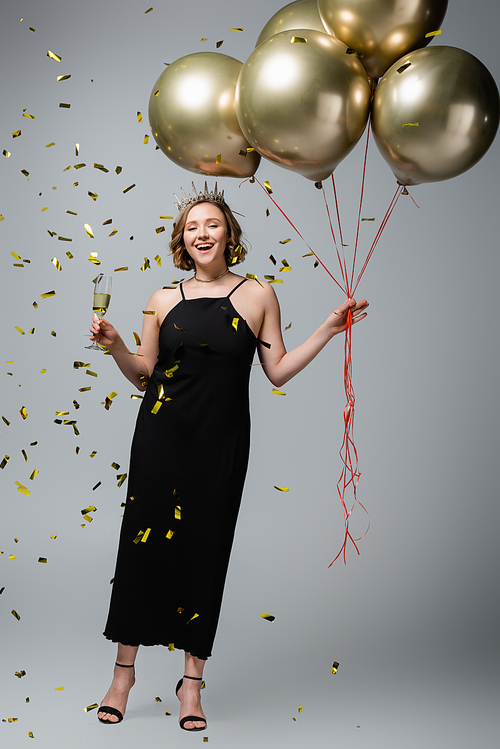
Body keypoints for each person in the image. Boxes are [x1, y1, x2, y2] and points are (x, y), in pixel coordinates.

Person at [90, 183, 368, 731]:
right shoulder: (162, 299)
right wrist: (118, 347)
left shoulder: (259, 294)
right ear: (181, 240)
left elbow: (278, 371)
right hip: (159, 440)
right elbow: (145, 375)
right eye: (192, 226)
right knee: (141, 551)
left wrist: (328, 331)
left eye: (211, 224)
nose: (202, 233)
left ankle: (191, 686)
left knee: (204, 551)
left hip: (220, 445)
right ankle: (122, 677)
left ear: (229, 234)